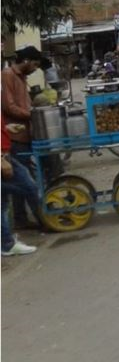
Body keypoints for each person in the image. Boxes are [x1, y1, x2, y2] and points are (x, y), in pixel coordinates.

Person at [1, 46, 46, 229]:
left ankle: (23, 218)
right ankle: (35, 219)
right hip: (14, 137)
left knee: (22, 181)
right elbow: (8, 107)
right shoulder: (7, 76)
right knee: (24, 182)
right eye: (34, 64)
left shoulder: (22, 78)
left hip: (24, 135)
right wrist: (32, 114)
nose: (35, 68)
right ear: (26, 61)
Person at [2, 116, 39, 256]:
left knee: (3, 202)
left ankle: (6, 242)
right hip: (3, 158)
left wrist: (6, 128)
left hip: (5, 155)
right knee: (28, 186)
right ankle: (7, 243)